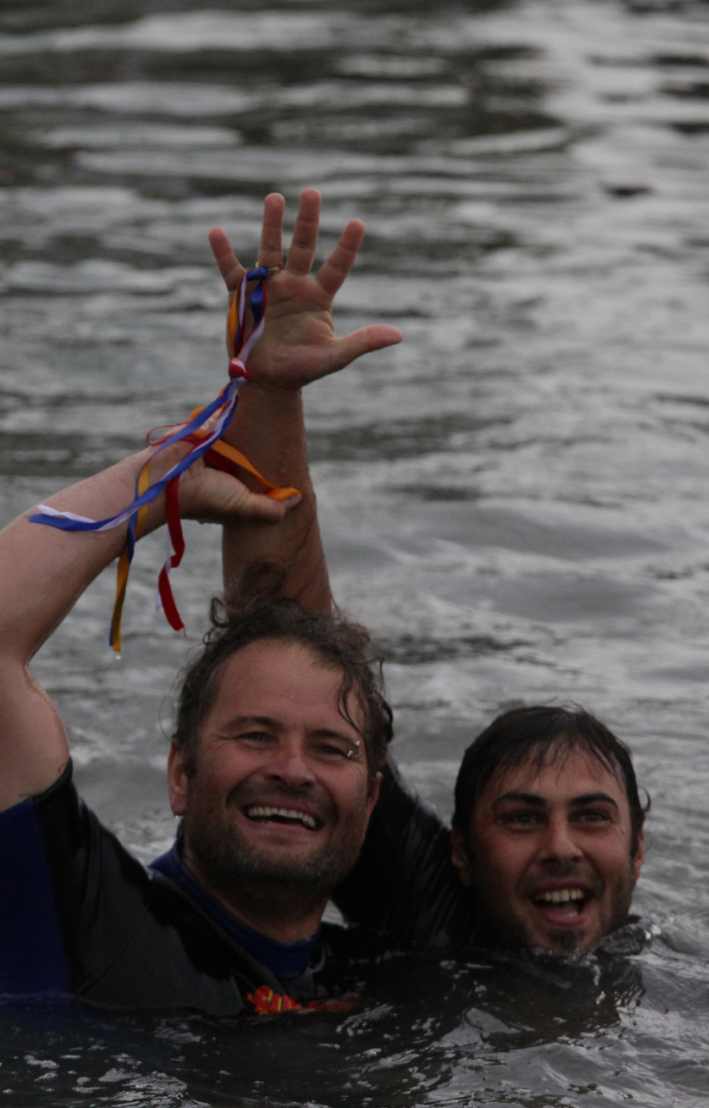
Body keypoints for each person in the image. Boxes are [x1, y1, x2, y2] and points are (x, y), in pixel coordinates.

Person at [0, 193, 402, 1013]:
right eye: (255, 735)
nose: (293, 769)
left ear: (372, 797)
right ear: (180, 772)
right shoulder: (90, 931)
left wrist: (269, 395)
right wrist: (157, 482)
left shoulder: (390, 971)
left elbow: (285, 640)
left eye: (331, 747)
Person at [212, 193, 649, 959]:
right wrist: (272, 393)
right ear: (461, 856)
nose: (560, 847)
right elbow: (286, 647)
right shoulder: (437, 926)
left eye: (592, 816)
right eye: (520, 818)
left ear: (638, 852)